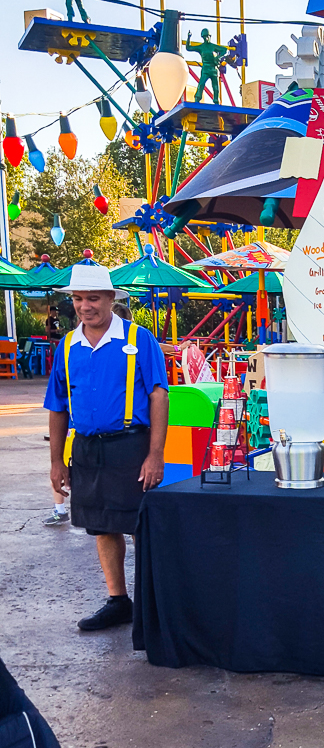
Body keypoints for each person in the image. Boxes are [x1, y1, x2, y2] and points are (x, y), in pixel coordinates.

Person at [45, 265, 169, 631]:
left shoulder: (138, 339)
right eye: (79, 298)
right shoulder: (68, 345)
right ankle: (119, 601)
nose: (85, 306)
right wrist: (56, 461)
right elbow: (57, 405)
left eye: (93, 298)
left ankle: (153, 603)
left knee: (139, 525)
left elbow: (158, 394)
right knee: (101, 526)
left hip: (130, 445)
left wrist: (155, 453)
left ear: (111, 299)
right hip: (86, 448)